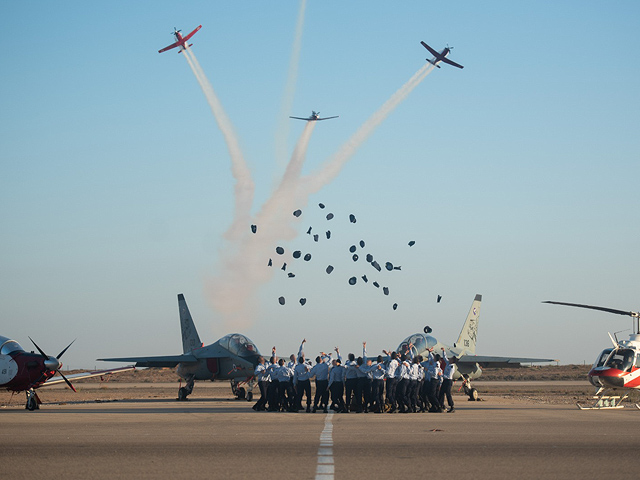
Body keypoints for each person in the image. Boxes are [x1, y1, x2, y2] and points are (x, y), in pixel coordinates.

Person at [439, 348, 457, 413]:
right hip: (445, 381)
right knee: (441, 393)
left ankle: (452, 406)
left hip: (448, 381)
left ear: (453, 361)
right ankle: (441, 405)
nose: (450, 359)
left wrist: (441, 375)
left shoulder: (452, 367)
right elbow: (445, 358)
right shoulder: (448, 363)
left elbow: (448, 376)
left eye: (451, 359)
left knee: (448, 394)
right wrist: (444, 351)